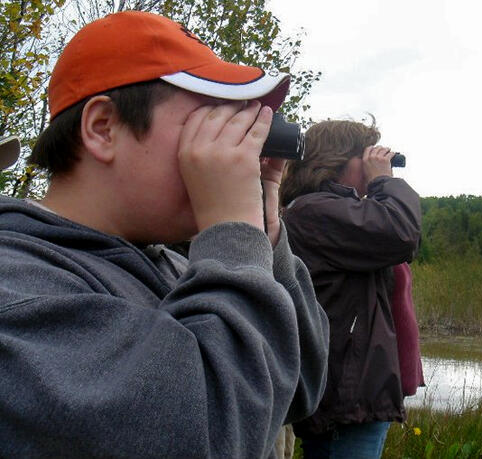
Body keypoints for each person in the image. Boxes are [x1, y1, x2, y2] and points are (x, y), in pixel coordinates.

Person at [0, 11, 329, 458]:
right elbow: (203, 439)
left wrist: (263, 237)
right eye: (209, 121)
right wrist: (232, 231)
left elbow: (297, 392)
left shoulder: (179, 266)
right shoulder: (18, 289)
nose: (233, 147)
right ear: (103, 128)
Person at [279, 119, 422, 458]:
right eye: (366, 155)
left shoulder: (338, 213)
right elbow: (400, 232)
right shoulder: (314, 211)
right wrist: (384, 181)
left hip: (355, 396)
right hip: (346, 400)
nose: (376, 160)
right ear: (337, 160)